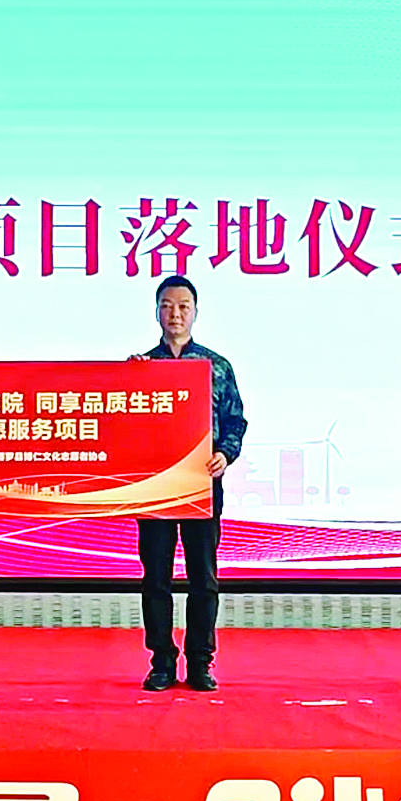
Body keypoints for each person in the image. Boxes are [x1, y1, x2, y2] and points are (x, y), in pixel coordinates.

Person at [133, 275, 247, 692]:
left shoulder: (217, 366)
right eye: (166, 305)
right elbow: (125, 426)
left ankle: (201, 661)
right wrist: (127, 381)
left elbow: (235, 421)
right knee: (156, 578)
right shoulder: (142, 367)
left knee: (203, 577)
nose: (175, 314)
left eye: (183, 306)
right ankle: (161, 661)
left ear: (196, 312)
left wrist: (225, 455)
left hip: (201, 482)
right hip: (156, 486)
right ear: (156, 312)